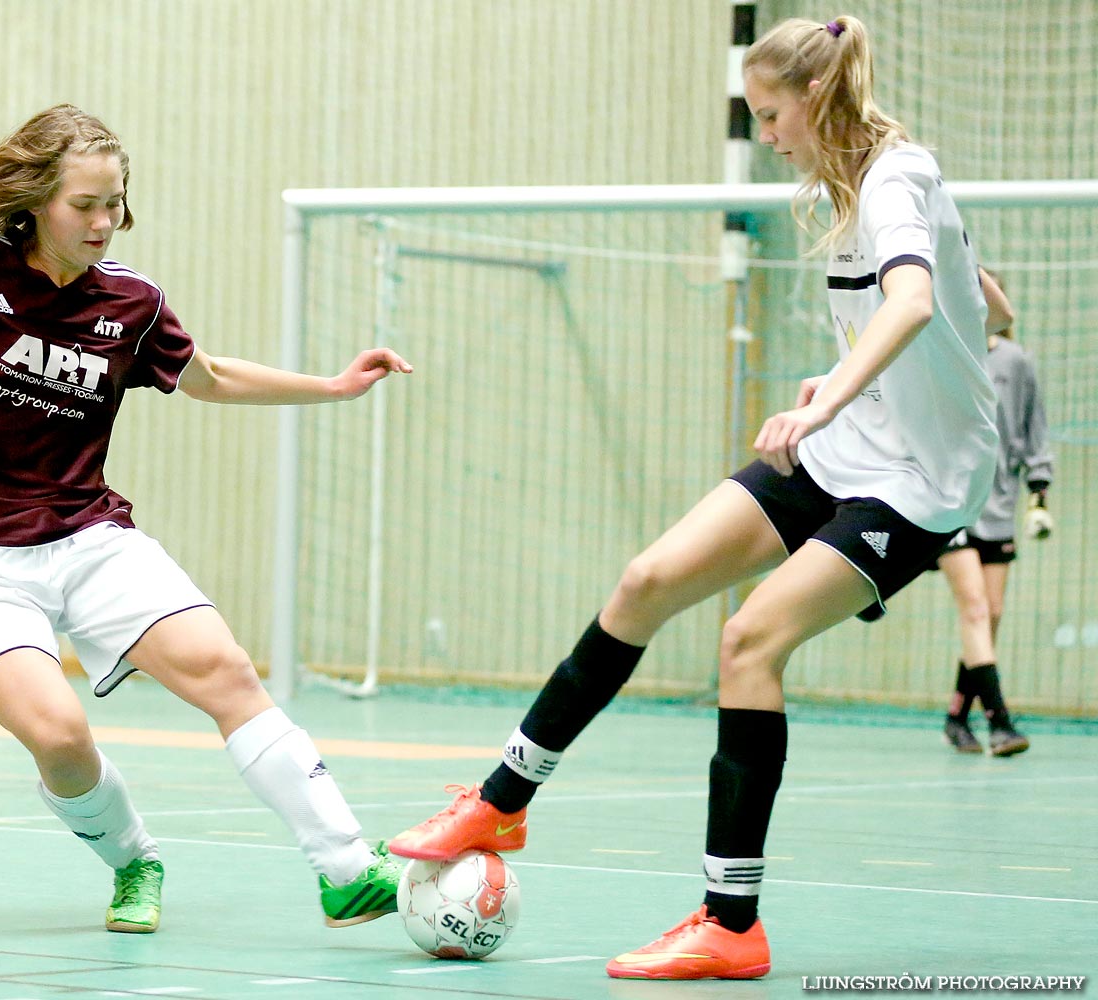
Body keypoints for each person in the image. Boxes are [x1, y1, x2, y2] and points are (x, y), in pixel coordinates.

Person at [388, 15, 1013, 981]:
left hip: (921, 482)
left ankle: (732, 923)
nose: (767, 134)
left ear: (816, 98)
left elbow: (916, 301)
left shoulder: (891, 175)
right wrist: (904, 350)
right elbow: (958, 291)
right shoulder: (862, 182)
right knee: (646, 580)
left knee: (748, 644)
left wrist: (826, 399)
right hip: (853, 439)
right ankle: (501, 799)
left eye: (772, 114)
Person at [0, 106, 412, 935]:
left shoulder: (131, 302)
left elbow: (209, 377)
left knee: (225, 670)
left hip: (90, 539)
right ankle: (135, 861)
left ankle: (344, 868)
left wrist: (333, 385)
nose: (104, 222)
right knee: (59, 736)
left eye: (116, 203)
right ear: (35, 200)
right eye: (85, 204)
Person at [935, 276, 1053, 757]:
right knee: (976, 609)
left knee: (992, 613)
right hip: (948, 501)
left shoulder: (1015, 361)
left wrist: (1039, 495)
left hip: (999, 501)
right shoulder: (941, 354)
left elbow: (1033, 427)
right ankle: (1000, 722)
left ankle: (956, 716)